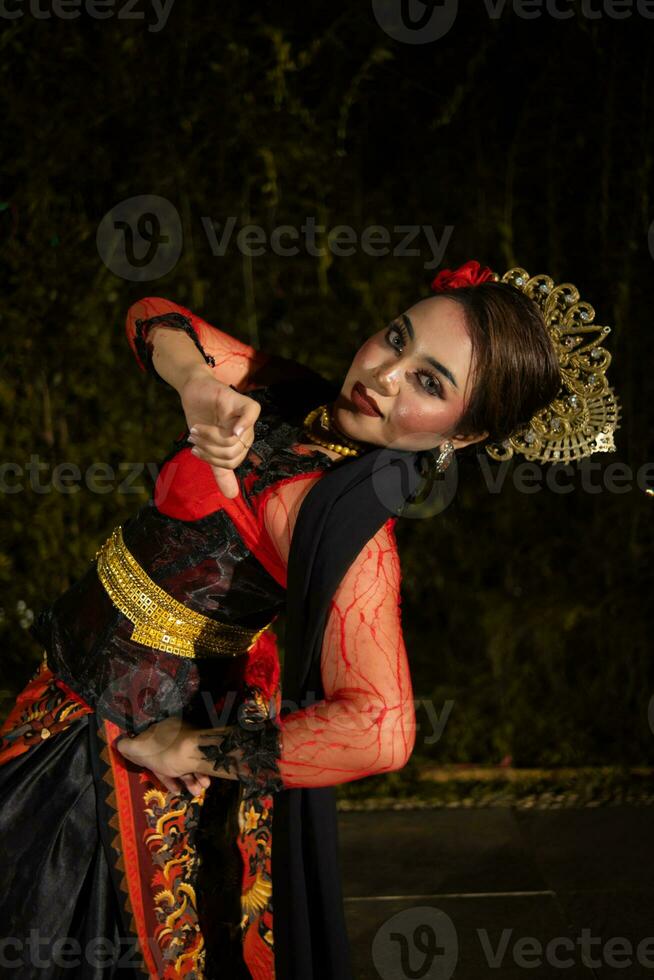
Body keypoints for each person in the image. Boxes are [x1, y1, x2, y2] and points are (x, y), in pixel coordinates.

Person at [0, 260, 620, 980]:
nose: (385, 374)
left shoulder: (344, 523)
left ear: (470, 434)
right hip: (64, 697)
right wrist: (198, 384)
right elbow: (153, 315)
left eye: (429, 383)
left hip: (121, 745)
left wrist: (195, 752)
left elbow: (382, 728)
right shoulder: (295, 394)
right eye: (397, 338)